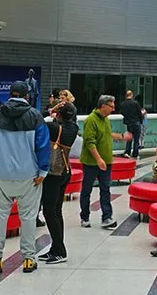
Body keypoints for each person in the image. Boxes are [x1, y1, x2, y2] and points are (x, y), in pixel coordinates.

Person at [0, 80, 50, 272]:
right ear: (27, 96)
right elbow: (43, 146)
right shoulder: (35, 116)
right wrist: (43, 171)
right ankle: (28, 259)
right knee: (28, 217)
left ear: (10, 94)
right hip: (29, 176)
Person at [80, 94, 131, 230]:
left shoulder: (106, 120)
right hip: (91, 163)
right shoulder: (91, 120)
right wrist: (98, 159)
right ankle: (84, 216)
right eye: (112, 107)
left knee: (105, 189)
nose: (113, 109)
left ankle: (107, 217)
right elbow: (90, 142)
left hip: (106, 162)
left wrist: (121, 137)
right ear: (103, 106)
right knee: (87, 190)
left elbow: (107, 134)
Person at [37, 102, 78, 265]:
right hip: (64, 171)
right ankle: (56, 248)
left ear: (59, 114)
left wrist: (50, 110)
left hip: (53, 173)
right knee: (56, 211)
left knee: (49, 211)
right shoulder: (73, 128)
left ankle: (60, 250)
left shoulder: (54, 129)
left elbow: (36, 119)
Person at [119, 90, 145, 159]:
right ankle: (135, 154)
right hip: (136, 122)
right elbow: (139, 113)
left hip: (129, 123)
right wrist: (141, 121)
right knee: (136, 139)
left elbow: (122, 112)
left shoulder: (123, 104)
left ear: (126, 95)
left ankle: (127, 152)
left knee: (129, 138)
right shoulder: (135, 103)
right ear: (132, 95)